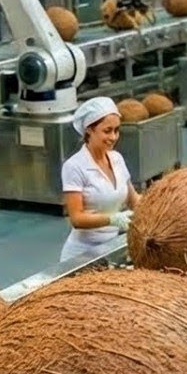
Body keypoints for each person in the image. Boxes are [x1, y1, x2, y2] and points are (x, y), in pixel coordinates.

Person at [60, 96, 139, 262]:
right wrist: (112, 219)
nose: (113, 137)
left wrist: (161, 205)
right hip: (82, 254)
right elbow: (77, 218)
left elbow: (134, 200)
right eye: (107, 130)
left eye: (117, 130)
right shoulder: (74, 166)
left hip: (112, 247)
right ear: (89, 130)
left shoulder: (117, 159)